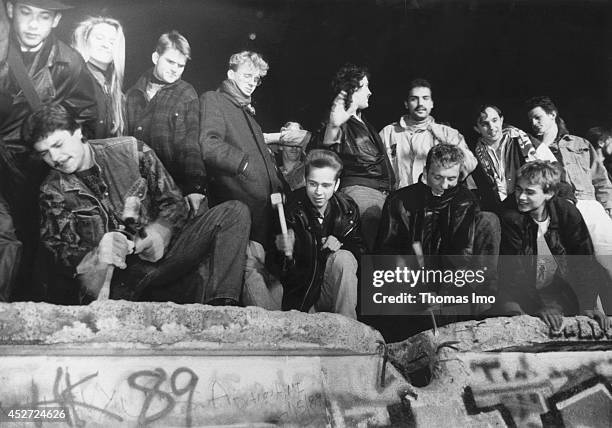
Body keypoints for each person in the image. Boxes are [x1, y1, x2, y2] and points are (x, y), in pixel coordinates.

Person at [24, 105, 250, 305]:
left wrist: (159, 233)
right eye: (45, 153)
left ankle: (222, 307)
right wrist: (96, 254)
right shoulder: (52, 190)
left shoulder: (132, 150)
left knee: (234, 212)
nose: (55, 157)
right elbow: (56, 249)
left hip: (167, 256)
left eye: (58, 144)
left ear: (78, 132)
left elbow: (174, 202)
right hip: (120, 280)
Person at [0, 0, 98, 299]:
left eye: (43, 16)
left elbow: (82, 118)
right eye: (26, 13)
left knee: (40, 247)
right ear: (12, 11)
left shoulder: (70, 62)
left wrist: (50, 156)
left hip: (35, 172)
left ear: (56, 20)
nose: (33, 25)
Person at [200, 50, 285, 309]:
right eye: (247, 75)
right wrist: (244, 163)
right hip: (239, 215)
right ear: (230, 74)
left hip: (263, 222)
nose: (252, 82)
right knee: (252, 282)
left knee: (273, 288)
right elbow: (209, 144)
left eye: (257, 78)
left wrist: (278, 188)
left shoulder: (249, 117)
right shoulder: (214, 100)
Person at [375, 144, 500, 317]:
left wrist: (443, 294)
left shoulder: (466, 201)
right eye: (437, 177)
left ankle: (481, 307)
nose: (444, 185)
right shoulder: (399, 200)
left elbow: (462, 256)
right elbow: (385, 252)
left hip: (449, 285)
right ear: (426, 172)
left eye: (451, 179)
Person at [497, 161, 610, 330]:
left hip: (555, 287)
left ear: (548, 193)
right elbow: (513, 273)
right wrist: (539, 308)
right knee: (516, 316)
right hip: (517, 291)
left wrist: (587, 304)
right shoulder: (509, 216)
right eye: (519, 189)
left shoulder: (565, 211)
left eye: (529, 192)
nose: (521, 197)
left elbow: (583, 260)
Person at [526, 97, 612, 277]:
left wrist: (608, 207)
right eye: (531, 120)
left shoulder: (580, 144)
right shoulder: (532, 149)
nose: (534, 123)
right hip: (559, 209)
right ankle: (592, 305)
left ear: (552, 115)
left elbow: (600, 180)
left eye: (538, 117)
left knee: (608, 254)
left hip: (589, 205)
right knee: (578, 265)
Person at [312, 63, 395, 251]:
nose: (370, 92)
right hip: (362, 193)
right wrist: (333, 127)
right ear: (351, 90)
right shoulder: (339, 121)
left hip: (381, 194)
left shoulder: (363, 122)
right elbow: (324, 155)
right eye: (365, 86)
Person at [275, 149, 365, 319]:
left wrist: (340, 243)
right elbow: (279, 272)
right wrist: (284, 251)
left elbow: (362, 254)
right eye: (313, 184)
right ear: (305, 180)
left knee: (344, 258)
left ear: (337, 184)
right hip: (305, 298)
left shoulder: (347, 208)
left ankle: (346, 330)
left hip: (335, 292)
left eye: (326, 185)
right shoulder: (291, 209)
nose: (318, 192)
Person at [127, 31, 205, 213]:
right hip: (138, 190)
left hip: (174, 187)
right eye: (170, 62)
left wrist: (195, 187)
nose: (175, 69)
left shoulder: (186, 93)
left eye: (181, 65)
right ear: (156, 57)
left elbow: (191, 141)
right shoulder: (132, 94)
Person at [379, 78, 477, 190]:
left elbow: (470, 164)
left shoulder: (448, 133)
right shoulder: (388, 133)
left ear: (432, 103)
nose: (420, 103)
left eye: (425, 98)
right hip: (399, 200)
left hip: (437, 201)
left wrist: (448, 147)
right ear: (406, 104)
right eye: (414, 99)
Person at [471, 104, 536, 212]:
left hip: (529, 204)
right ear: (477, 129)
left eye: (495, 120)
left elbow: (553, 168)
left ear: (501, 120)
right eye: (484, 124)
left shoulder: (524, 139)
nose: (491, 127)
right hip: (498, 211)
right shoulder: (474, 155)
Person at [72, 16, 126, 138]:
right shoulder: (76, 79)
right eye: (99, 38)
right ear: (85, 40)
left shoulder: (113, 89)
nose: (106, 45)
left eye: (112, 42)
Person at [276, 121, 308, 191]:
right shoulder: (274, 172)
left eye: (298, 142)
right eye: (290, 141)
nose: (294, 147)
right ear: (281, 146)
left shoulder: (308, 171)